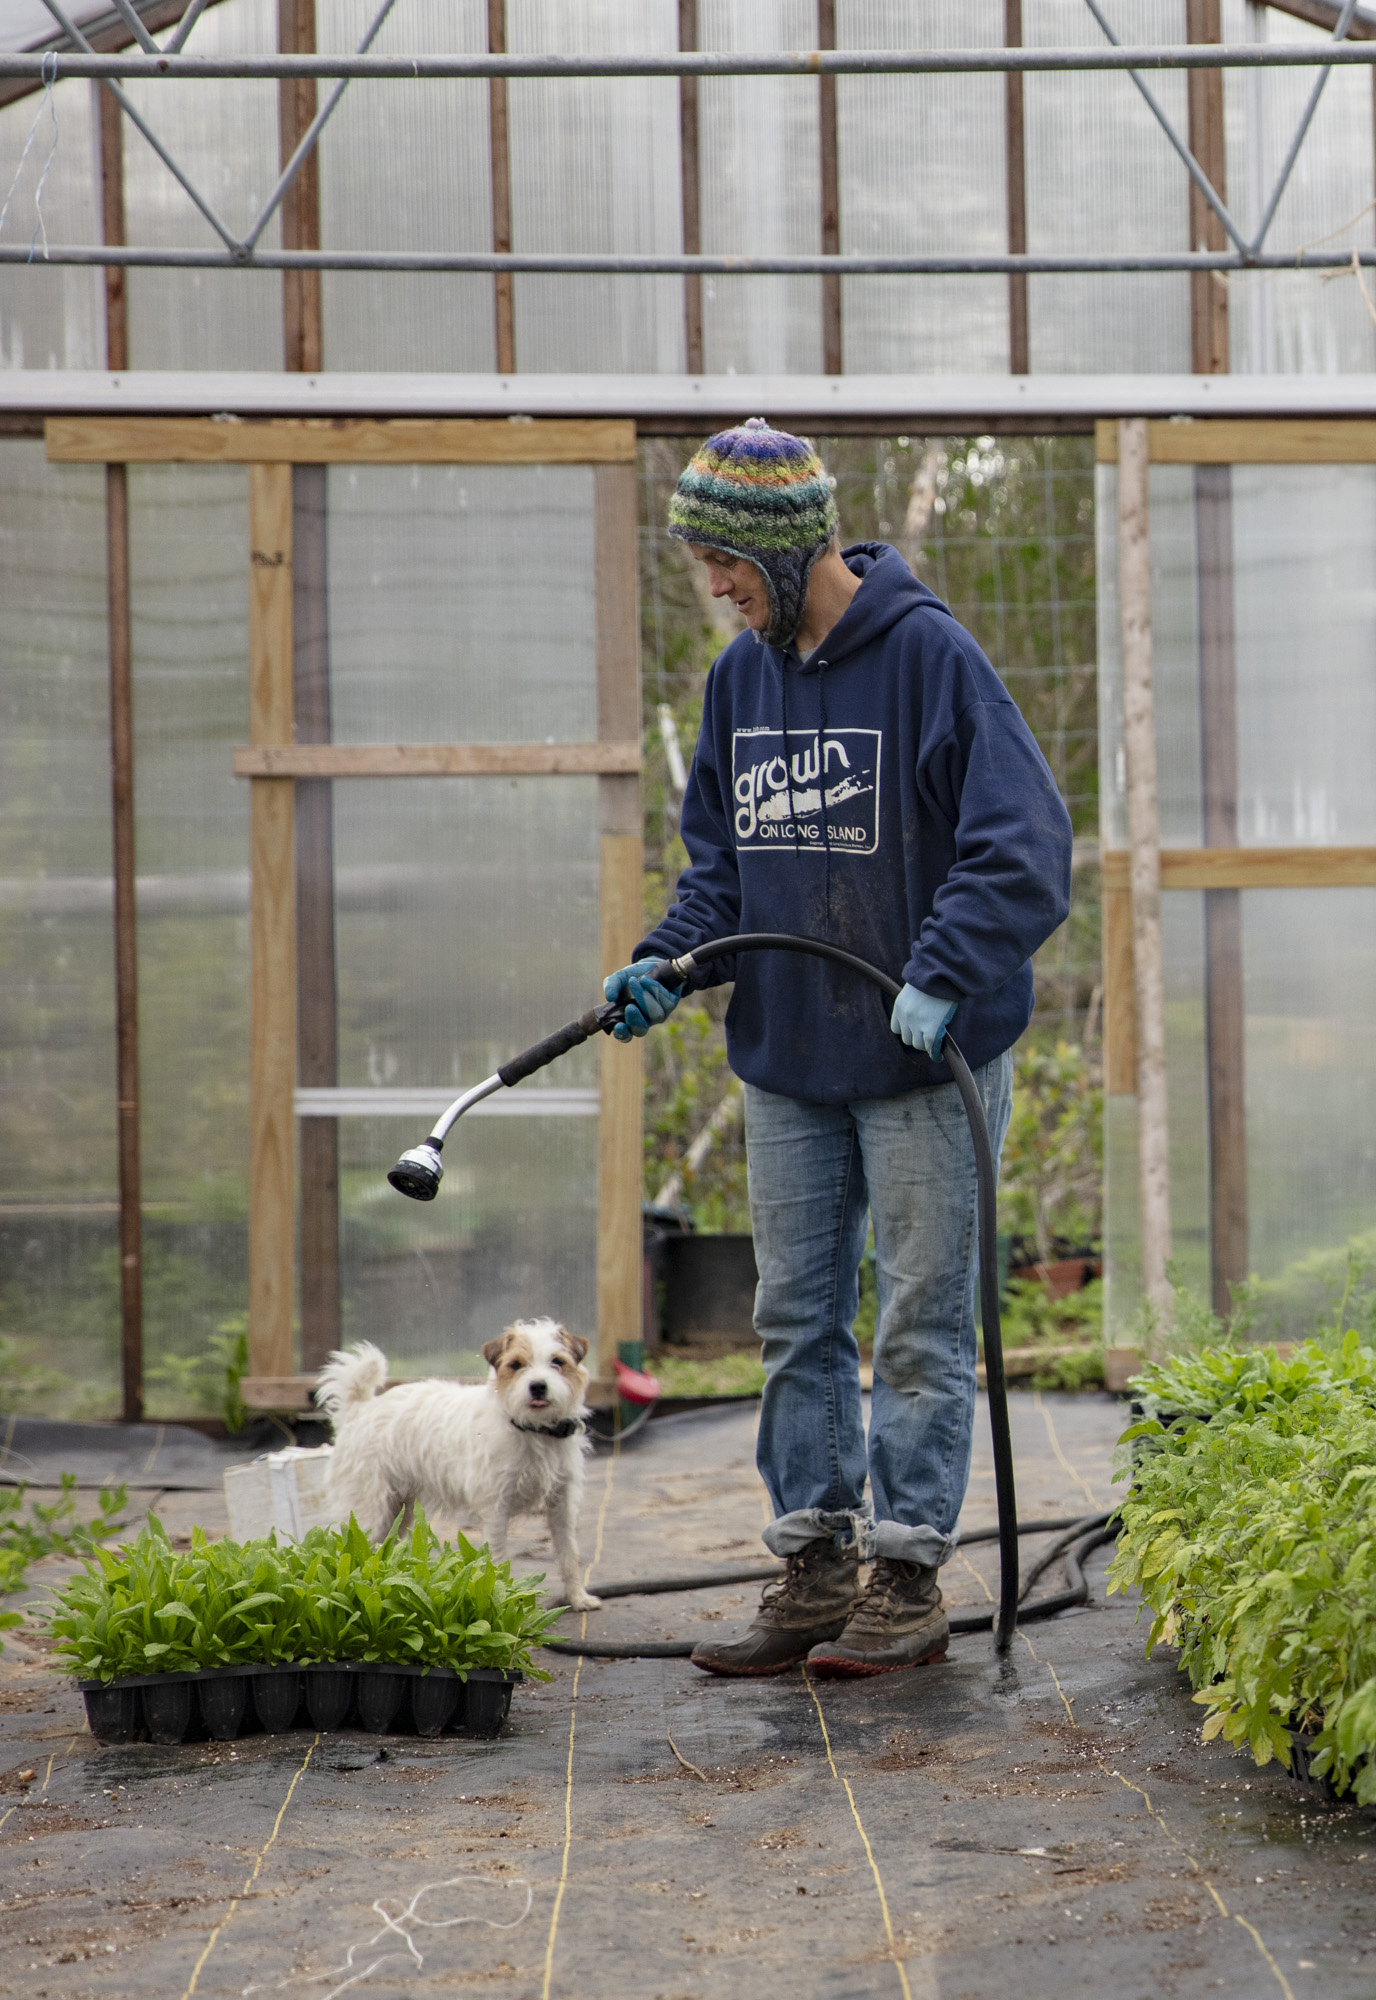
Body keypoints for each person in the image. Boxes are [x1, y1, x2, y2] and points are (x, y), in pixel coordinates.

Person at [607, 419, 1072, 1678]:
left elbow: (1024, 846)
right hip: (789, 1059)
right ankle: (813, 1565)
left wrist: (939, 972)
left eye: (722, 558)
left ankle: (908, 1574)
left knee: (921, 1318)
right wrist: (669, 957)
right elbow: (723, 869)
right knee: (796, 1317)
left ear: (783, 541)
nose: (711, 584)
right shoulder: (738, 680)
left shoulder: (927, 658)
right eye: (701, 559)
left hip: (929, 1058)